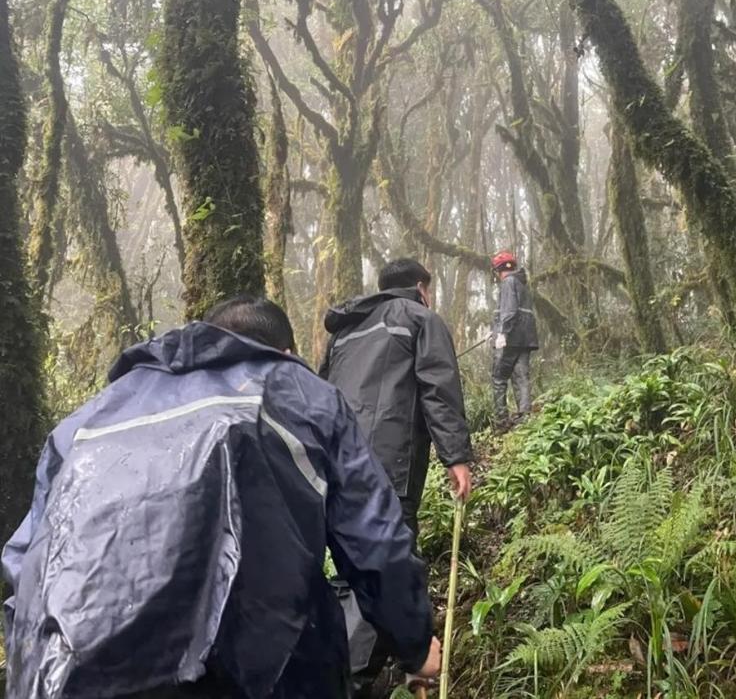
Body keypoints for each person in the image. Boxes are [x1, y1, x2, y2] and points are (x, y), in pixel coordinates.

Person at [1, 295, 440, 699]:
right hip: (251, 675)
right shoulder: (299, 395)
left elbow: (24, 566)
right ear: (285, 353)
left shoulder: (83, 423)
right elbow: (375, 542)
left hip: (63, 676)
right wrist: (415, 645)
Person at [319, 258, 473, 697]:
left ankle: (351, 668)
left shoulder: (345, 331)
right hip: (390, 465)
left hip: (335, 465)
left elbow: (318, 394)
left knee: (350, 569)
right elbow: (437, 389)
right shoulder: (420, 318)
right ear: (421, 287)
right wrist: (456, 457)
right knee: (384, 562)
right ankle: (350, 680)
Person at [490, 251, 539, 428]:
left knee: (499, 378)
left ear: (498, 270)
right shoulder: (522, 284)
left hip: (510, 339)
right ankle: (524, 418)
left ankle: (501, 420)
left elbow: (509, 311)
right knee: (521, 378)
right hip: (525, 340)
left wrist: (502, 333)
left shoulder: (508, 282)